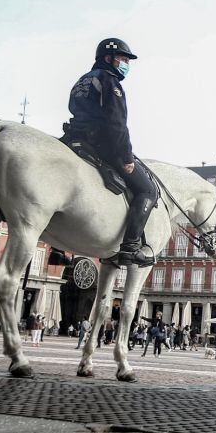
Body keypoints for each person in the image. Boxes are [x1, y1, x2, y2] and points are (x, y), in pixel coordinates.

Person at [61, 38, 155, 268]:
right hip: (101, 143)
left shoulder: (82, 80)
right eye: (122, 59)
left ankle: (56, 247)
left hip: (74, 138)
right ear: (108, 58)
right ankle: (131, 247)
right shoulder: (110, 81)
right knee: (148, 190)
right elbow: (117, 124)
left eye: (127, 61)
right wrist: (126, 157)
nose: (125, 64)